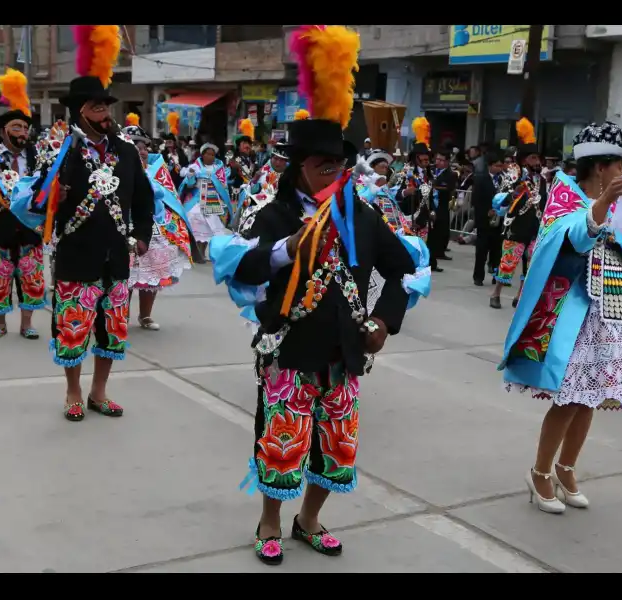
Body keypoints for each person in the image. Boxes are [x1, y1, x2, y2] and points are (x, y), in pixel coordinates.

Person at [209, 24, 418, 565]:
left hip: (346, 354)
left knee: (336, 450)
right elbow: (240, 268)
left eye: (340, 165)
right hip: (288, 349)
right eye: (324, 165)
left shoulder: (363, 215)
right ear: (297, 168)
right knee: (281, 446)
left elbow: (404, 271)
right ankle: (270, 521)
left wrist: (384, 322)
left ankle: (310, 518)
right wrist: (285, 248)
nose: (335, 173)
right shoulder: (271, 215)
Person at [500, 121, 622, 514]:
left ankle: (566, 467)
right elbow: (572, 236)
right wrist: (603, 205)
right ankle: (540, 472)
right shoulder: (565, 198)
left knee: (594, 397)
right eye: (618, 165)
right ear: (600, 167)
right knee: (570, 398)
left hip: (617, 310)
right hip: (578, 313)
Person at [33, 25, 155, 421]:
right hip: (76, 253)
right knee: (72, 329)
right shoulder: (60, 150)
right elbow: (38, 198)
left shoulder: (125, 151)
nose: (107, 115)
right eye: (98, 108)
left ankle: (99, 392)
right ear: (81, 111)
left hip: (116, 256)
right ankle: (73, 391)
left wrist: (141, 234)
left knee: (111, 330)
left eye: (108, 107)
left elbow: (143, 198)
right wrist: (55, 197)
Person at [0, 69, 45, 339]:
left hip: (30, 228)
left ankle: (27, 323)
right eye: (17, 127)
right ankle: (0, 323)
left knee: (31, 276)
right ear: (3, 131)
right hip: (0, 227)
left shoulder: (37, 157)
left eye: (25, 128)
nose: (23, 132)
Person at [123, 119, 198, 330]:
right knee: (126, 273)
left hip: (154, 226)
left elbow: (170, 197)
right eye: (136, 147)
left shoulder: (158, 170)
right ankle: (121, 315)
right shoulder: (117, 169)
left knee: (152, 273)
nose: (142, 151)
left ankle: (145, 316)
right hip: (126, 225)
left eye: (144, 147)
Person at [493, 119, 547, 309]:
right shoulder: (514, 177)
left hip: (535, 228)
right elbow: (499, 200)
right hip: (516, 228)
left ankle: (519, 295)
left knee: (530, 266)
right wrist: (513, 193)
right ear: (524, 160)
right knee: (508, 263)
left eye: (538, 158)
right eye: (533, 158)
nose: (538, 162)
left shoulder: (543, 180)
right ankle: (496, 293)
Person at [180, 141, 231, 262]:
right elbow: (190, 184)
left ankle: (202, 252)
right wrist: (191, 176)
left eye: (213, 155)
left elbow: (223, 186)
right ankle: (196, 252)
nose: (210, 156)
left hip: (212, 199)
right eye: (208, 154)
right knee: (196, 222)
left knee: (210, 226)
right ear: (202, 155)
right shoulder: (195, 167)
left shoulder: (219, 169)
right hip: (197, 199)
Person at [395, 117, 436, 268]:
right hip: (408, 217)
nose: (426, 160)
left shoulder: (429, 175)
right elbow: (395, 194)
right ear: (416, 157)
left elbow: (430, 196)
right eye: (423, 158)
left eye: (428, 158)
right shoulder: (405, 173)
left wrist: (432, 210)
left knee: (421, 253)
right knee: (407, 253)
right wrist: (406, 192)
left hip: (423, 219)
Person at [472, 151, 506, 295]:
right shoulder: (481, 179)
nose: (499, 168)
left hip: (500, 220)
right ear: (490, 166)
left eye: (501, 166)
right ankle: (478, 276)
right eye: (497, 166)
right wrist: (486, 211)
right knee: (482, 249)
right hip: (485, 220)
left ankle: (495, 275)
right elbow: (475, 199)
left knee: (497, 250)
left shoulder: (505, 180)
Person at [430, 145, 457, 262]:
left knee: (442, 228)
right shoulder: (431, 170)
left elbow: (449, 188)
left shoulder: (451, 174)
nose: (438, 162)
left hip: (442, 203)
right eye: (437, 159)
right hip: (431, 203)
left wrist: (434, 187)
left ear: (447, 162)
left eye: (441, 160)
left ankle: (440, 251)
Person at [161, 114, 189, 188]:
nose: (169, 145)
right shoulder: (163, 154)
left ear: (174, 143)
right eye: (167, 143)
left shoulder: (180, 153)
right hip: (166, 181)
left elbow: (186, 165)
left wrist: (181, 168)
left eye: (170, 142)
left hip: (179, 181)